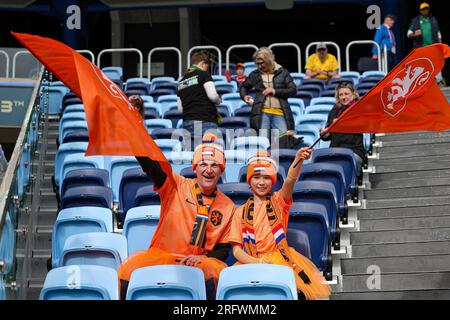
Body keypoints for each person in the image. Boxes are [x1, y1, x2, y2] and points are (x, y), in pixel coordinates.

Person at [117, 133, 236, 299]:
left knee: (214, 272)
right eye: (203, 164)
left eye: (215, 165)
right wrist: (134, 137)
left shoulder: (228, 206)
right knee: (128, 267)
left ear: (221, 170)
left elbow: (223, 250)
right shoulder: (176, 185)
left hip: (200, 261)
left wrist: (203, 257)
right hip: (163, 254)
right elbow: (152, 167)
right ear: (195, 168)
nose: (208, 170)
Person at [228, 149, 331, 300]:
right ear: (249, 180)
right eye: (256, 177)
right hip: (251, 262)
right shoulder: (240, 212)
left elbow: (290, 180)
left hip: (281, 260)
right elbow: (237, 251)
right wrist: (257, 262)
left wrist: (298, 158)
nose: (261, 182)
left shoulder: (279, 201)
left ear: (273, 180)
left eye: (266, 178)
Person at [240, 47, 297, 143]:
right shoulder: (255, 74)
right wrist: (244, 96)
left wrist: (274, 91)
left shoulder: (283, 72)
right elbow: (243, 87)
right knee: (263, 142)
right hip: (262, 113)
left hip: (280, 113)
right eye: (257, 64)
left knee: (284, 140)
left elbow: (293, 90)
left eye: (262, 63)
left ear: (269, 60)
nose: (259, 66)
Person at [178, 51, 222, 147]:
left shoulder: (181, 82)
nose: (207, 69)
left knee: (193, 157)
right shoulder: (204, 75)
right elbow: (213, 96)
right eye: (207, 66)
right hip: (205, 121)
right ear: (202, 63)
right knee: (208, 156)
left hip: (187, 123)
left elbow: (180, 108)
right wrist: (219, 100)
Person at [320, 82, 366, 173]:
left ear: (353, 95)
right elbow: (328, 135)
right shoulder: (334, 111)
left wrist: (341, 123)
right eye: (341, 95)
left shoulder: (359, 109)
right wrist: (325, 134)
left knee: (346, 162)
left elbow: (361, 125)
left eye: (346, 94)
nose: (343, 97)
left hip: (354, 150)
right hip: (335, 149)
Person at [407, 2, 444, 85]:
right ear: (420, 11)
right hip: (421, 47)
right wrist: (414, 34)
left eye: (427, 8)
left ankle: (438, 80)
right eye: (423, 9)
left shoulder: (433, 19)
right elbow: (408, 34)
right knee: (422, 65)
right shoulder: (416, 20)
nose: (425, 10)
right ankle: (422, 83)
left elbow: (438, 33)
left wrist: (440, 43)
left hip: (433, 46)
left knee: (436, 62)